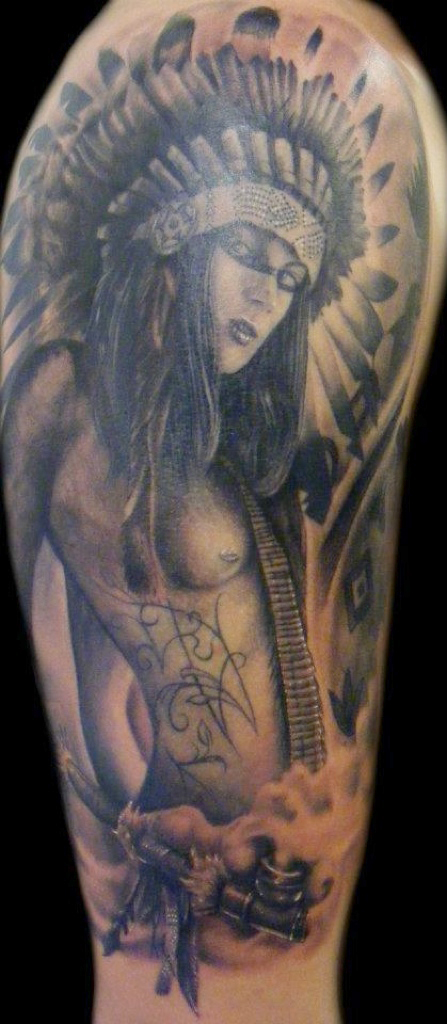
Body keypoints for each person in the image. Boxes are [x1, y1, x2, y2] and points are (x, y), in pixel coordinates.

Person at [2, 3, 446, 1022]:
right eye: (250, 252)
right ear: (174, 230)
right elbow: (63, 614)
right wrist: (129, 817)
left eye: (291, 280)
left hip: (252, 873)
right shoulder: (69, 397)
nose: (267, 302)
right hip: (215, 945)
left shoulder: (228, 452)